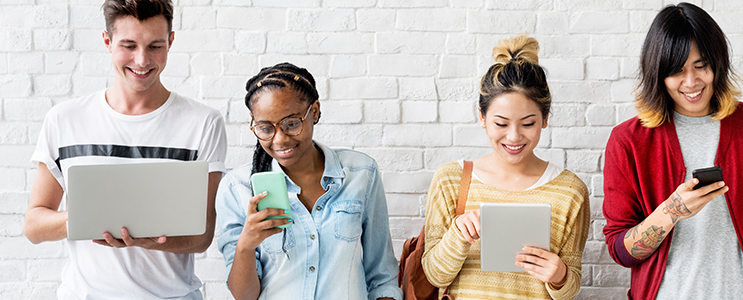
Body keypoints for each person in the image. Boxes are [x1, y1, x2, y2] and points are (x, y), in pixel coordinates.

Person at [22, 0, 226, 298]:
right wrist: (94, 216)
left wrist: (148, 239)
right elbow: (34, 225)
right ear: (107, 41)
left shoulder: (203, 122)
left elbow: (202, 236)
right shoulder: (64, 119)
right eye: (128, 46)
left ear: (170, 41)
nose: (142, 60)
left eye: (155, 46)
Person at [601, 3, 743, 299]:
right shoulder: (628, 141)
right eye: (676, 71)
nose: (691, 82)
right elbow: (622, 252)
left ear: (717, 63)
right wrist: (671, 211)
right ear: (658, 73)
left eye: (701, 65)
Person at [420, 35, 590, 300]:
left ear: (545, 119)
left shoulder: (570, 191)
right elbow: (434, 276)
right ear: (482, 117)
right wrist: (458, 236)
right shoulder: (451, 179)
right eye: (501, 124)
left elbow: (570, 287)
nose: (513, 137)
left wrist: (560, 275)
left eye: (528, 124)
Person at [215, 62, 402, 300]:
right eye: (265, 128)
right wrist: (245, 245)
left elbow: (382, 277)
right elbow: (244, 296)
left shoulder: (361, 173)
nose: (280, 140)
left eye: (292, 124)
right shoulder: (237, 188)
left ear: (314, 111)